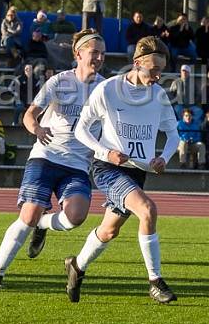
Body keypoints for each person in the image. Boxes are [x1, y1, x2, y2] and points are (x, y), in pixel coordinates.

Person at [0, 29, 106, 289]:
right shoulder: (59, 82)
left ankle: (43, 223)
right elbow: (29, 115)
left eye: (102, 53)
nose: (98, 57)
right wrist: (37, 129)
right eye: (94, 51)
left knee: (76, 217)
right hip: (46, 155)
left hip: (77, 164)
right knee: (27, 216)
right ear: (78, 54)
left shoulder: (106, 88)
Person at [66, 36, 181, 304]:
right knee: (148, 210)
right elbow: (81, 130)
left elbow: (173, 135)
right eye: (153, 69)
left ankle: (76, 266)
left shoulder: (159, 95)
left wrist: (163, 157)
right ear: (137, 63)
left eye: (160, 71)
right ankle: (155, 281)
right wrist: (106, 152)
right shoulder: (108, 90)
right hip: (107, 168)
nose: (156, 76)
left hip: (137, 171)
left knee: (109, 231)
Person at [11, 62, 43, 126]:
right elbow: (14, 91)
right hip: (20, 100)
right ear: (24, 70)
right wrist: (24, 100)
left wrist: (33, 101)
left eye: (30, 69)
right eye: (27, 69)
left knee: (37, 109)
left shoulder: (36, 81)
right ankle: (15, 122)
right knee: (19, 107)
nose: (28, 71)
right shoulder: (19, 79)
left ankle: (36, 124)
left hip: (32, 100)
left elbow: (38, 93)